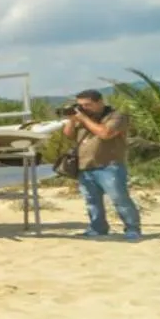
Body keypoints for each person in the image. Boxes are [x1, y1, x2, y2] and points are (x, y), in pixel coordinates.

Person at [65, 88, 141, 239]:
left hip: (109, 166)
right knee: (92, 201)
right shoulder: (82, 118)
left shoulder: (116, 116)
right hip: (85, 166)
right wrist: (72, 120)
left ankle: (132, 229)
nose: (83, 108)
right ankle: (98, 228)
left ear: (100, 102)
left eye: (87, 105)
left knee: (120, 199)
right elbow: (68, 135)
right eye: (80, 105)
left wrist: (85, 119)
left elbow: (105, 134)